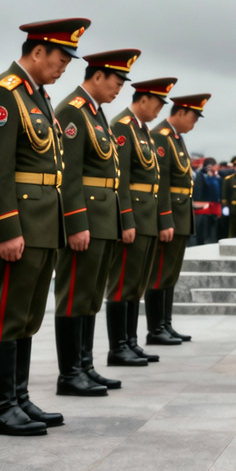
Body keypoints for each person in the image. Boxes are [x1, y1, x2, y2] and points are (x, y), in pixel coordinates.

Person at [0, 18, 89, 436]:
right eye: (60, 60)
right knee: (6, 315)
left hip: (43, 222)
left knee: (26, 317)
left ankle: (18, 398)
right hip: (19, 222)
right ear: (37, 52)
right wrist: (6, 227)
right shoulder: (4, 94)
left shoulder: (37, 97)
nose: (63, 69)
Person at [51, 49, 139, 395]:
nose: (118, 91)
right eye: (115, 83)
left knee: (89, 296)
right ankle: (69, 373)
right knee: (74, 295)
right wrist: (74, 222)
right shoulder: (73, 112)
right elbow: (69, 174)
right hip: (85, 218)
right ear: (97, 76)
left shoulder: (96, 114)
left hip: (102, 220)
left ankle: (85, 365)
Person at [106, 77, 176, 366]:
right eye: (158, 103)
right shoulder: (123, 126)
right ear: (144, 99)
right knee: (122, 284)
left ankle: (131, 341)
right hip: (133, 214)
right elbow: (120, 177)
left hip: (146, 216)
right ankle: (118, 346)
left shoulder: (141, 129)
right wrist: (126, 219)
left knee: (136, 283)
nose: (160, 110)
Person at [148, 91, 211, 346]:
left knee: (170, 274)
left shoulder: (176, 138)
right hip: (169, 215)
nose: (194, 124)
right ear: (181, 112)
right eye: (193, 118)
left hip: (180, 213)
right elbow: (160, 182)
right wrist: (165, 219)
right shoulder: (161, 137)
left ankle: (166, 323)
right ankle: (155, 328)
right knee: (160, 272)